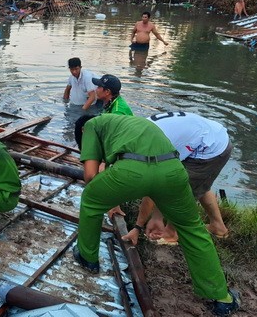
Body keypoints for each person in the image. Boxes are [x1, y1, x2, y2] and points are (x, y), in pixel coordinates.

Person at [73, 114, 240, 316]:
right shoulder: (130, 124)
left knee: (90, 200)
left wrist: (103, 195)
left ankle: (87, 257)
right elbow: (151, 171)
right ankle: (222, 298)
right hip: (174, 171)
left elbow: (91, 175)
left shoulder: (90, 125)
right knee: (192, 228)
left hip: (134, 172)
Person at [122, 112, 232, 244]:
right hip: (212, 134)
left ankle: (171, 233)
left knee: (181, 190)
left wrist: (139, 225)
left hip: (209, 147)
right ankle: (218, 226)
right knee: (200, 184)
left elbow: (154, 187)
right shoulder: (138, 130)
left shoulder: (151, 148)